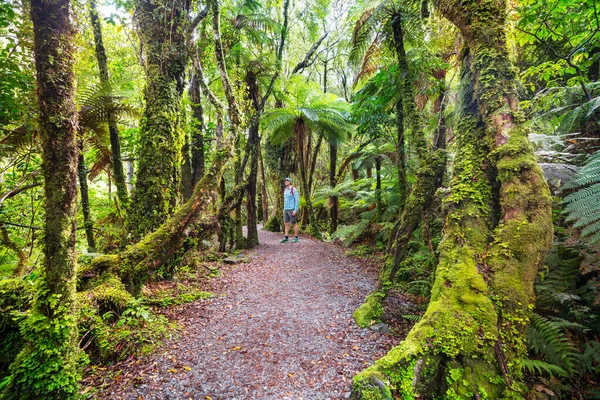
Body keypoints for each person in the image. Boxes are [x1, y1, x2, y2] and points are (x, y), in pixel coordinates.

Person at [281, 177, 300, 243]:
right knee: (286, 223)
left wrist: (295, 209)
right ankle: (286, 238)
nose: (286, 181)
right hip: (286, 209)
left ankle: (296, 238)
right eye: (285, 180)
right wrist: (284, 209)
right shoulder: (285, 190)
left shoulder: (293, 189)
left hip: (292, 209)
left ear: (290, 182)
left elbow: (297, 200)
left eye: (287, 180)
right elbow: (285, 200)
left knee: (294, 223)